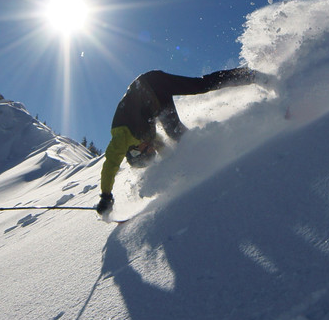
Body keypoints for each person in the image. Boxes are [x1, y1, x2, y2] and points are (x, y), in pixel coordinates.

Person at [96, 68, 257, 214]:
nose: (153, 149)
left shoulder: (121, 138)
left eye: (149, 151)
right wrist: (181, 171)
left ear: (136, 151)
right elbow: (167, 153)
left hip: (151, 83)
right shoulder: (149, 140)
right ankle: (208, 148)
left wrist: (106, 197)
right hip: (157, 101)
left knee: (199, 86)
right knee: (177, 135)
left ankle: (249, 75)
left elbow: (110, 166)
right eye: (152, 151)